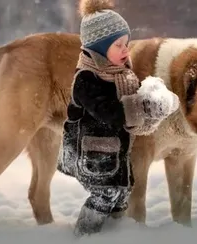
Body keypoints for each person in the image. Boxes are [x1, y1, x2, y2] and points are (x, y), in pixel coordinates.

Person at [57, 0, 179, 237]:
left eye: (127, 43)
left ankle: (114, 234)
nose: (126, 50)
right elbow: (111, 114)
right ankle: (84, 234)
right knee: (106, 193)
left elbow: (133, 110)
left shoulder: (121, 75)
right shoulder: (86, 80)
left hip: (113, 153)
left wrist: (157, 103)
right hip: (90, 153)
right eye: (118, 45)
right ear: (99, 49)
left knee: (122, 192)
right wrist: (143, 106)